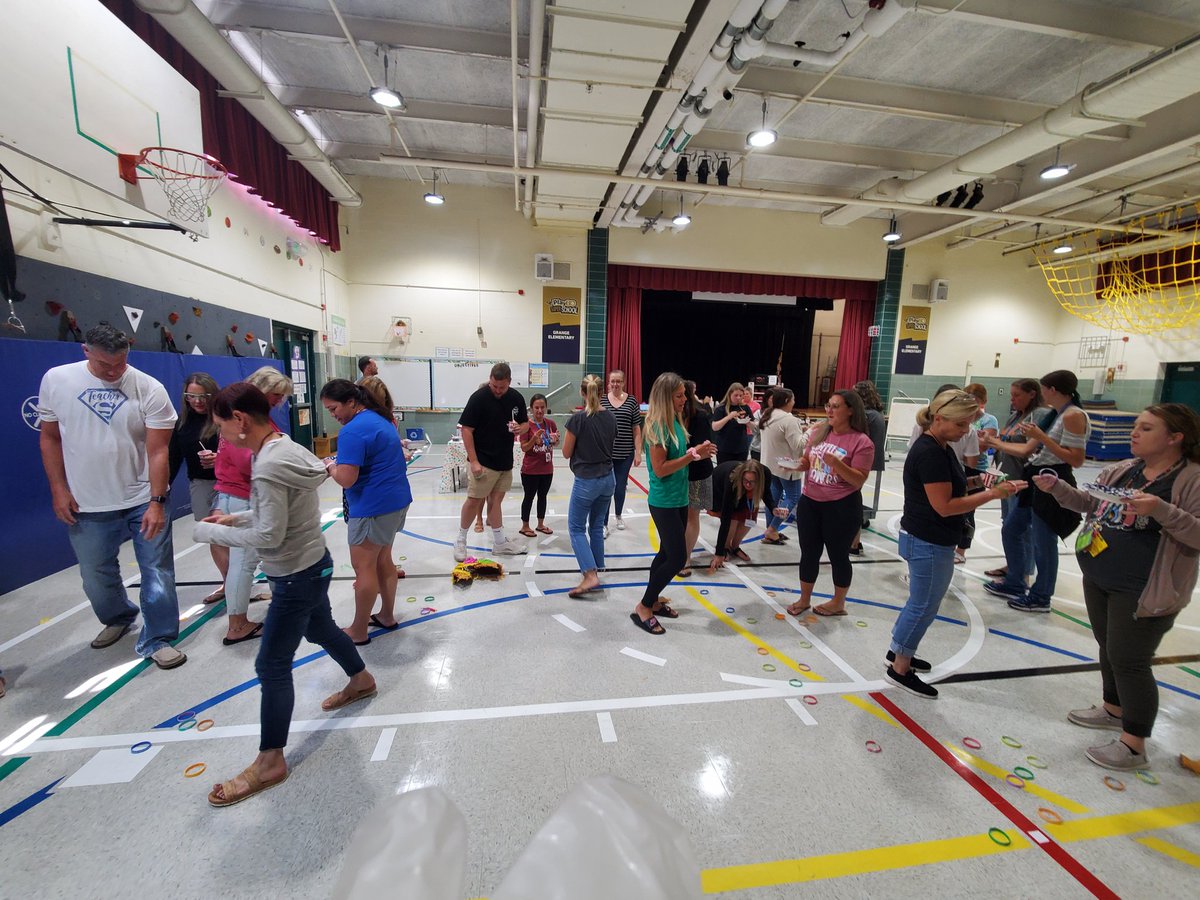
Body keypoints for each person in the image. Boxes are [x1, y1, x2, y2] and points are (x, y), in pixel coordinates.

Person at [195, 384, 375, 807]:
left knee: (271, 664)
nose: (221, 436)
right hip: (313, 564)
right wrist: (237, 518)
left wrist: (207, 532)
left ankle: (270, 761)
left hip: (295, 576)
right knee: (321, 629)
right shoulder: (286, 447)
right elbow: (280, 511)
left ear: (240, 420)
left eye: (221, 426)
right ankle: (362, 679)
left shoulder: (268, 465)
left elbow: (269, 536)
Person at [1032, 403, 1200, 771]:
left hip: (1143, 590)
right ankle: (1113, 708)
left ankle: (1134, 745)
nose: (1134, 433)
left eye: (1147, 428)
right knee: (1109, 648)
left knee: (1130, 660)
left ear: (1175, 437)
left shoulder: (1192, 480)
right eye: (1136, 425)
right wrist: (1058, 488)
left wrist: (1161, 510)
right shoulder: (1124, 469)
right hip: (1100, 577)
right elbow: (1089, 503)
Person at [37, 324, 186, 669]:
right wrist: (58, 488)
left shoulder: (149, 388)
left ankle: (158, 637)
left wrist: (157, 501)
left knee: (157, 571)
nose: (115, 372)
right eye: (106, 365)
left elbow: (159, 451)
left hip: (141, 497)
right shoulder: (57, 380)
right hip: (86, 501)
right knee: (94, 574)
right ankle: (118, 616)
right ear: (86, 351)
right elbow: (50, 438)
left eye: (121, 363)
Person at [888, 390, 1027, 698]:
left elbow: (953, 486)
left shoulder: (941, 446)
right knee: (923, 605)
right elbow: (945, 506)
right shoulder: (931, 453)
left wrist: (981, 482)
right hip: (928, 540)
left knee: (920, 602)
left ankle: (899, 649)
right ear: (939, 419)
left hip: (928, 538)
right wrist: (993, 495)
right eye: (961, 424)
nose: (966, 431)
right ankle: (900, 667)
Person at [983, 369, 1090, 613]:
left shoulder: (1073, 415)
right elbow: (1028, 449)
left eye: (1044, 389)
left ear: (1052, 390)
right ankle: (1015, 582)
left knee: (1044, 541)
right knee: (1012, 529)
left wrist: (1043, 437)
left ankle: (1041, 595)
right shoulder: (1054, 414)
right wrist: (995, 441)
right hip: (1034, 476)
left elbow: (1076, 459)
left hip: (1052, 477)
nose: (1042, 394)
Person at [320, 379, 412, 644]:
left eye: (334, 409)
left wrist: (330, 466)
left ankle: (358, 630)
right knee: (383, 561)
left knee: (364, 568)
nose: (333, 415)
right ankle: (386, 615)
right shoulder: (380, 419)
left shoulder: (352, 430)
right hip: (395, 501)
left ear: (351, 402)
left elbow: (347, 479)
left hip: (373, 507)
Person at [630, 372, 715, 635]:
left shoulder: (675, 421)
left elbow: (678, 458)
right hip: (664, 501)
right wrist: (693, 455)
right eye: (679, 396)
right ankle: (644, 606)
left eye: (684, 395)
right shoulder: (656, 426)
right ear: (666, 398)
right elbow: (660, 469)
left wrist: (696, 454)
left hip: (679, 498)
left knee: (666, 553)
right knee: (677, 558)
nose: (684, 399)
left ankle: (653, 601)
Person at [788, 390, 875, 618]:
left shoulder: (862, 441)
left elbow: (858, 480)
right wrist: (798, 464)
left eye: (836, 406)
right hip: (810, 502)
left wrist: (837, 464)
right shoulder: (820, 431)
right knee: (809, 553)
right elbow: (807, 460)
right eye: (828, 405)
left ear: (851, 410)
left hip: (841, 506)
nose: (829, 410)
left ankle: (838, 603)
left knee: (838, 556)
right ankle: (804, 599)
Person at [454, 363, 529, 561]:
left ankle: (500, 543)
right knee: (474, 500)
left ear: (509, 382)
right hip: (483, 461)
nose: (497, 390)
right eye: (494, 386)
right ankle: (461, 540)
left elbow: (525, 423)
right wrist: (474, 461)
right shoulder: (478, 398)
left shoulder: (516, 398)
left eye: (502, 387)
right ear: (490, 379)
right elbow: (466, 430)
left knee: (496, 502)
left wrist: (521, 428)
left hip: (504, 461)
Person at [980, 379, 1046, 580]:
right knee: (1008, 524)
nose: (1012, 399)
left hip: (1022, 480)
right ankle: (1014, 564)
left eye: (1017, 395)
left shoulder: (1039, 416)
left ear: (1032, 394)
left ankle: (1023, 573)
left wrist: (996, 443)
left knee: (1021, 529)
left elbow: (1028, 449)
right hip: (1006, 477)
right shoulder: (1015, 417)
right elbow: (1004, 443)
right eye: (1011, 395)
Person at [168, 373, 224, 604]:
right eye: (192, 396)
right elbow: (172, 459)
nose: (198, 401)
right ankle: (229, 582)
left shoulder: (225, 418)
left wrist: (220, 459)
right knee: (213, 535)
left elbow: (245, 451)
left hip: (229, 483)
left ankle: (238, 581)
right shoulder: (181, 424)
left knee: (230, 533)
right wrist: (161, 490)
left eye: (203, 396)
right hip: (200, 484)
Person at [562, 375, 616, 597]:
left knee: (576, 528)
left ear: (582, 393)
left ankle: (590, 575)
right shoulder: (611, 417)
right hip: (608, 478)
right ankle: (597, 566)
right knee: (596, 525)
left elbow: (566, 452)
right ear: (602, 393)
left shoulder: (577, 420)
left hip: (587, 481)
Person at [956, 383, 1000, 564]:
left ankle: (961, 550)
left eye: (974, 400)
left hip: (976, 469)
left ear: (982, 401)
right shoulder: (961, 415)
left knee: (968, 511)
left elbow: (982, 446)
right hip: (959, 465)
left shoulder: (989, 420)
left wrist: (970, 438)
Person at [758, 388, 806, 545]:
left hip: (770, 464)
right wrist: (810, 433)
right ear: (786, 401)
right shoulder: (789, 420)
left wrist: (800, 431)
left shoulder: (768, 414)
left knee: (773, 497)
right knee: (793, 497)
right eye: (793, 399)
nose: (794, 402)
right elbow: (798, 445)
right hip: (786, 466)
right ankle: (772, 529)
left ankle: (771, 529)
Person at [600, 369, 642, 533]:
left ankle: (618, 515)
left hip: (625, 454)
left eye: (618, 381)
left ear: (623, 382)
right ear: (609, 383)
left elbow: (636, 429)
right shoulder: (602, 400)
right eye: (613, 381)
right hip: (605, 454)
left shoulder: (631, 401)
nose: (615, 384)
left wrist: (638, 452)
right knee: (606, 488)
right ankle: (603, 523)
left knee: (619, 488)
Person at [706, 460, 766, 573]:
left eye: (752, 482)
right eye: (746, 481)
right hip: (718, 490)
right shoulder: (732, 481)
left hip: (743, 494)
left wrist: (773, 508)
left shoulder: (765, 476)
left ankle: (735, 546)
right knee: (732, 519)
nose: (748, 484)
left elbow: (767, 495)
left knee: (750, 517)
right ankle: (725, 547)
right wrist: (719, 553)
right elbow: (726, 518)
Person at [681, 380, 714, 576]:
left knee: (691, 516)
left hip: (697, 473)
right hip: (678, 472)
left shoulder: (700, 416)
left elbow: (705, 450)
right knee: (680, 516)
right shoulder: (671, 415)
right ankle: (679, 554)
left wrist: (688, 456)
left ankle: (686, 557)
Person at [850, 380, 887, 555]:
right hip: (873, 458)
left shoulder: (866, 415)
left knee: (852, 498)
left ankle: (854, 541)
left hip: (863, 459)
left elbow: (856, 436)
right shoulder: (877, 413)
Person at [518, 393, 558, 538]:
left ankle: (540, 524)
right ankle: (525, 526)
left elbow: (554, 443)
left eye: (542, 407)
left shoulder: (551, 424)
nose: (540, 410)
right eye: (536, 408)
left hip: (547, 469)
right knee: (529, 497)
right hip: (530, 470)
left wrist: (555, 440)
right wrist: (534, 439)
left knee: (543, 497)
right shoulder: (526, 426)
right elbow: (524, 447)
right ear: (531, 409)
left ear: (546, 408)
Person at [711, 382, 754, 465]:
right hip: (724, 448)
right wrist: (729, 417)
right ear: (729, 394)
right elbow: (715, 427)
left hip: (741, 448)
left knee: (740, 471)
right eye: (736, 395)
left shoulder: (745, 407)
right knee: (725, 470)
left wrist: (747, 422)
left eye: (741, 395)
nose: (738, 398)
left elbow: (753, 427)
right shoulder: (721, 408)